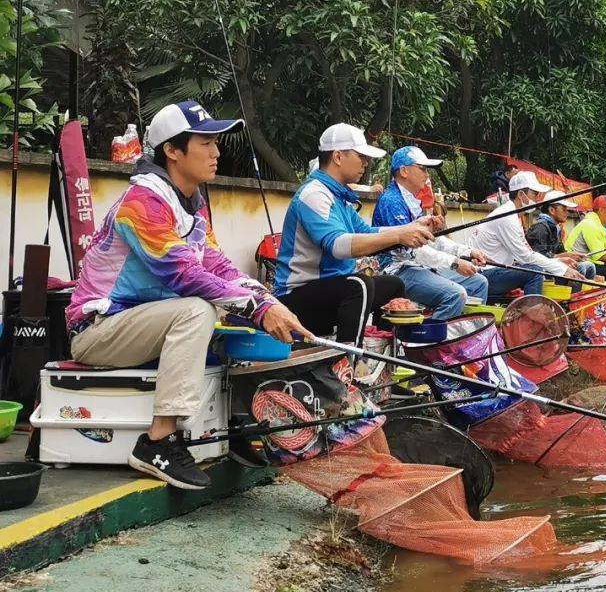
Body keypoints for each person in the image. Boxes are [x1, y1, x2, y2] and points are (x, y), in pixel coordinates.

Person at [66, 101, 310, 490]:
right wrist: (257, 309)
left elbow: (220, 268)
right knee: (199, 308)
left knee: (225, 309)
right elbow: (184, 274)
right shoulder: (142, 205)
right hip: (98, 330)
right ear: (173, 150)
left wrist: (269, 302)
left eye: (217, 142)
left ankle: (233, 426)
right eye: (206, 143)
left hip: (143, 325)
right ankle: (158, 441)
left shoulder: (191, 206)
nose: (217, 153)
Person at [273, 125, 435, 343]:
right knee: (359, 285)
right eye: (361, 156)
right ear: (338, 157)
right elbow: (338, 246)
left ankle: (385, 350)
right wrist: (398, 236)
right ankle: (347, 362)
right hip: (295, 297)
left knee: (392, 285)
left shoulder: (339, 196)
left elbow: (366, 232)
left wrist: (409, 229)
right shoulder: (314, 194)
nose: (366, 163)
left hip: (333, 289)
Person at [373, 146, 489, 320]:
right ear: (404, 171)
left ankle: (465, 336)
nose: (427, 175)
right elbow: (415, 250)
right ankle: (430, 343)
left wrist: (467, 252)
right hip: (397, 270)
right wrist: (455, 263)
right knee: (455, 295)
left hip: (419, 267)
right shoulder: (392, 201)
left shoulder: (412, 200)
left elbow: (432, 241)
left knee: (479, 282)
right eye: (422, 168)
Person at [473, 171, 584, 298]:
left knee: (536, 268)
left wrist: (557, 260)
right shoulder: (507, 217)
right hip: (484, 274)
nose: (537, 199)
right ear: (521, 194)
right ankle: (532, 313)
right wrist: (563, 269)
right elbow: (526, 257)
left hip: (494, 270)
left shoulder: (514, 215)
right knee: (534, 272)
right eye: (535, 194)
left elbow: (524, 254)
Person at [525, 190, 595, 283]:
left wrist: (572, 256)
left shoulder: (556, 228)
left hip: (553, 265)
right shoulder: (540, 227)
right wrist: (564, 256)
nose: (567, 212)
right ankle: (572, 296)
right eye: (564, 209)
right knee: (581, 267)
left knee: (589, 265)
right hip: (542, 270)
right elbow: (538, 256)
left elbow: (561, 251)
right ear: (552, 210)